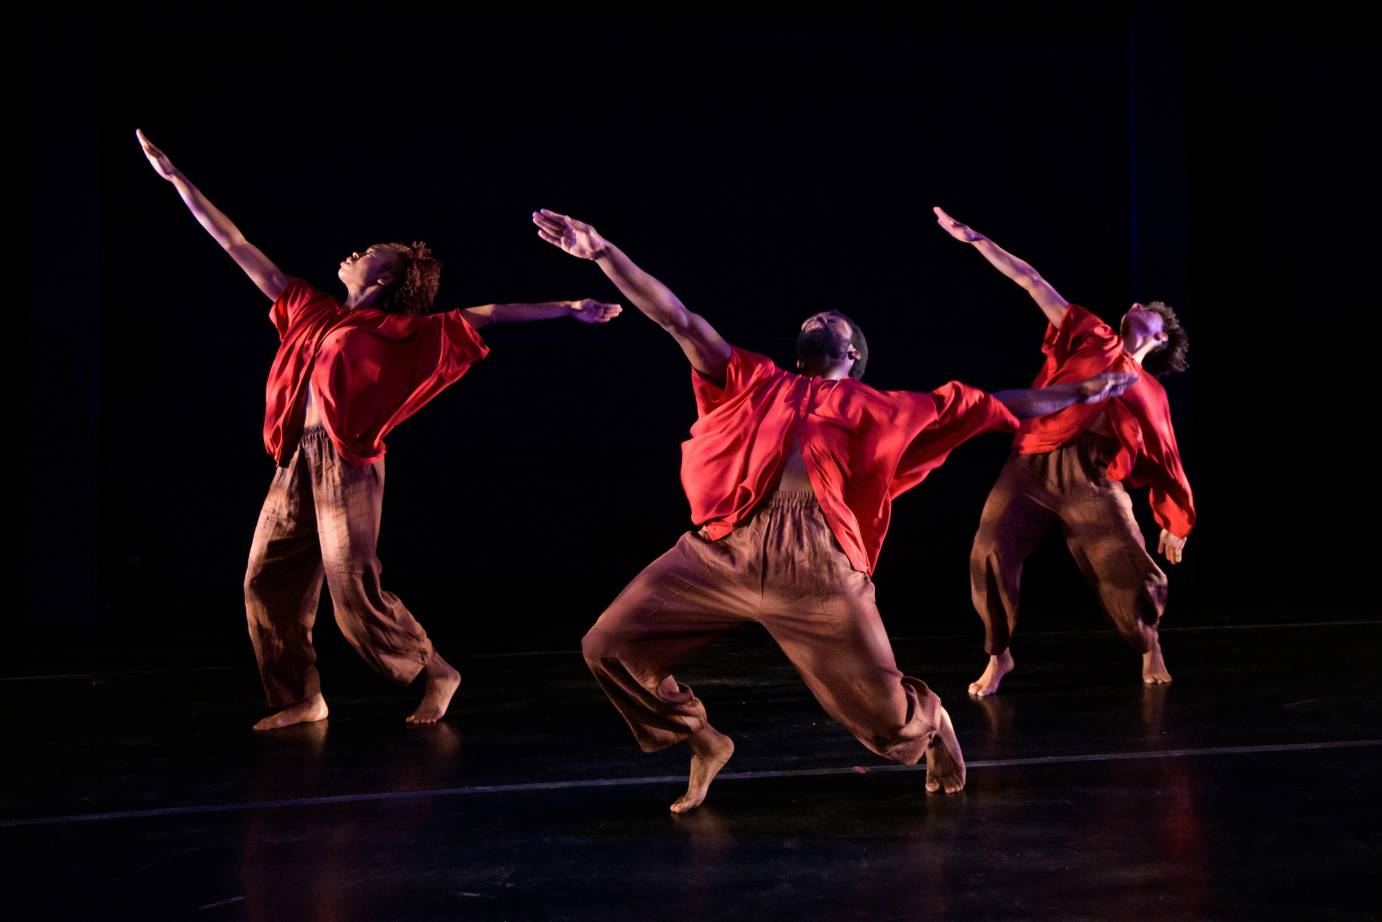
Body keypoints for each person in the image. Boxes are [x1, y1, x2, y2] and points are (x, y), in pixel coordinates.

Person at [533, 208, 1135, 811]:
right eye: (815, 319)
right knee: (606, 647)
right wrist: (603, 251)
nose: (822, 315)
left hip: (818, 568)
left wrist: (1078, 393)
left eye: (835, 320)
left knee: (886, 719)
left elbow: (990, 405)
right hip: (723, 550)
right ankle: (705, 740)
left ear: (853, 353)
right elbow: (679, 320)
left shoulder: (889, 408)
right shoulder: (752, 380)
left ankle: (933, 723)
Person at [137, 130, 621, 730]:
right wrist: (179, 180)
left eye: (371, 252)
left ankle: (435, 670)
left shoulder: (399, 333)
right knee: (266, 579)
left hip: (348, 463)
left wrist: (569, 307)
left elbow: (488, 314)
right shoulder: (310, 309)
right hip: (295, 459)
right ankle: (300, 697)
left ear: (386, 277)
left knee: (351, 593)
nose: (355, 251)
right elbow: (235, 243)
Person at [933, 206, 1194, 695]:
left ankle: (1149, 642)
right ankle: (999, 656)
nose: (1137, 304)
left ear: (1158, 339)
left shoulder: (1150, 392)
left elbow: (1166, 457)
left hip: (1093, 478)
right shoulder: (1090, 333)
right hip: (1031, 463)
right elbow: (1031, 281)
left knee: (1129, 566)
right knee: (988, 552)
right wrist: (977, 240)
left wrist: (1175, 522)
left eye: (1149, 311)